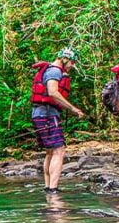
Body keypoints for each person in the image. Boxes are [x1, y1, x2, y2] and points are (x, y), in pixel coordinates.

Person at [30, 48, 85, 194]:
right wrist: (73, 109)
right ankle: (53, 189)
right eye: (72, 62)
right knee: (59, 151)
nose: (72, 65)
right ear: (65, 59)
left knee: (50, 152)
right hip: (47, 115)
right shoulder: (55, 71)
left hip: (40, 114)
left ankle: (48, 187)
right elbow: (53, 92)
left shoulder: (51, 70)